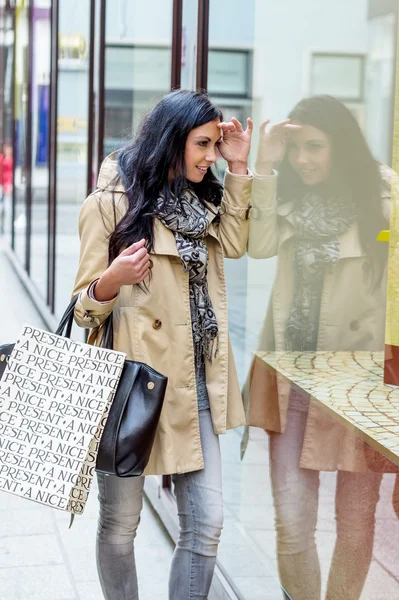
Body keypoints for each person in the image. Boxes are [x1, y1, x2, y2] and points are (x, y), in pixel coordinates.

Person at [72, 89, 253, 600]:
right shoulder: (109, 205)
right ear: (172, 141)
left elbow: (239, 245)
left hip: (195, 382)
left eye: (216, 145)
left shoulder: (203, 199)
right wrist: (112, 278)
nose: (210, 156)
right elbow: (83, 308)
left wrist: (239, 168)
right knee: (119, 527)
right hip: (132, 387)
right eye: (204, 144)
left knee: (207, 523)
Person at [244, 95, 398, 600]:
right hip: (292, 377)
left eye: (315, 147)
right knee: (291, 522)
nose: (303, 159)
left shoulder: (382, 197)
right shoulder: (286, 194)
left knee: (355, 525)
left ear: (341, 146)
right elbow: (259, 244)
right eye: (296, 149)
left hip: (361, 382)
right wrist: (265, 162)